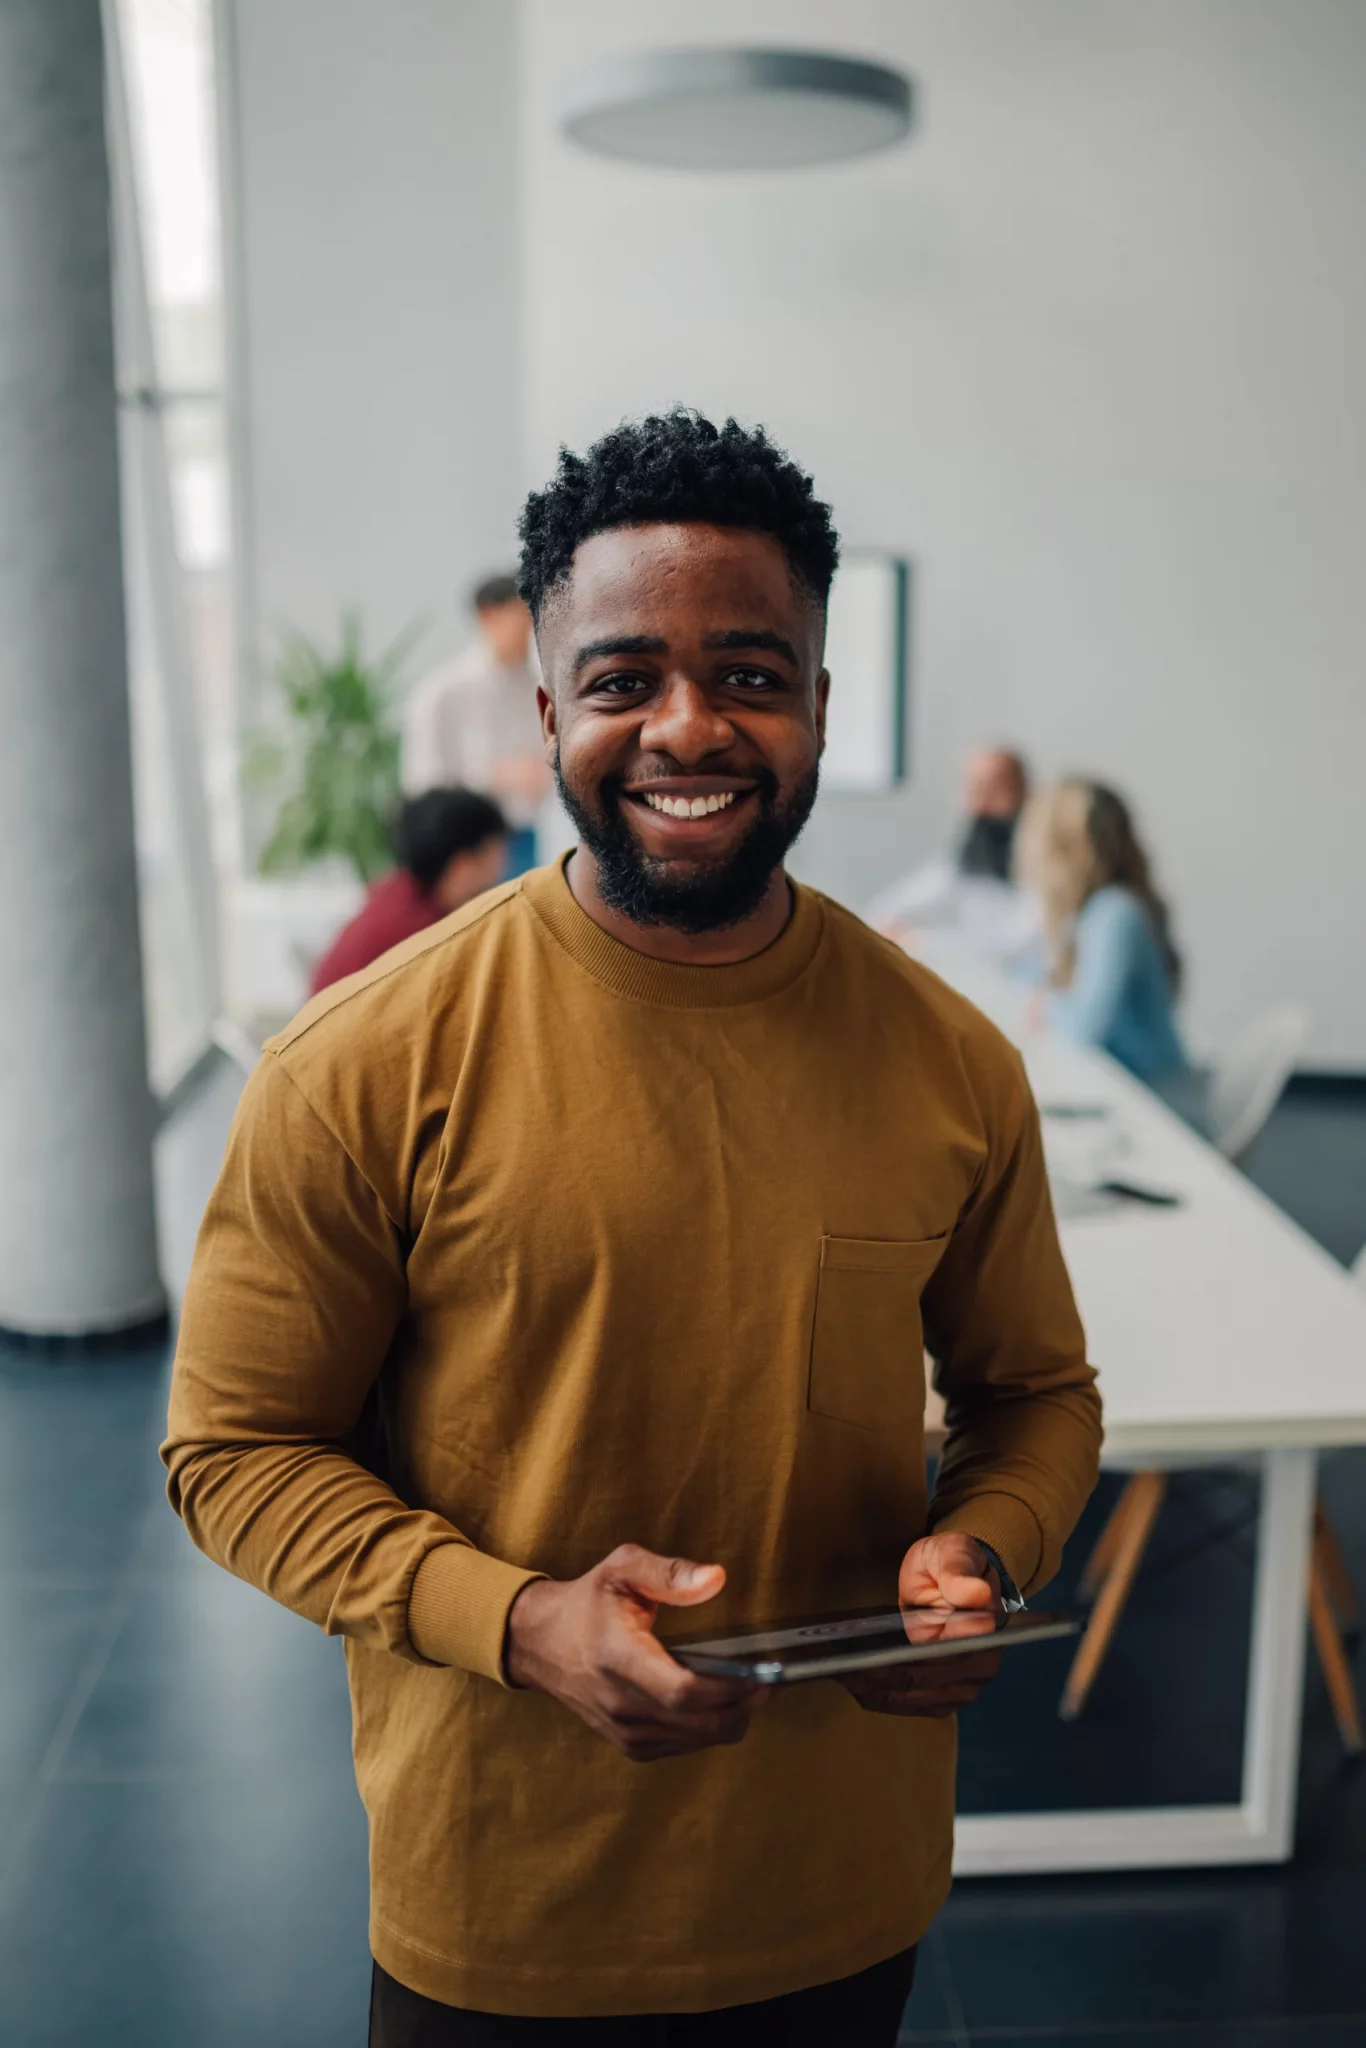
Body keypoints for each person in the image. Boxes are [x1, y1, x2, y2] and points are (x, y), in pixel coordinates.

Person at [163, 409, 1101, 2044]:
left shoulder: (952, 1061)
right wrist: (516, 1619)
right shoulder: (363, 1061)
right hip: (507, 1903)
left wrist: (984, 1552)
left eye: (748, 673)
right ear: (547, 711)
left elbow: (1037, 1398)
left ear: (816, 701)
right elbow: (234, 1450)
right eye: (621, 680)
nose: (688, 726)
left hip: (846, 1886)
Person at [1015, 777, 1188, 1085]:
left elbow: (1084, 1028)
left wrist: (1044, 1005)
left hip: (1153, 1099)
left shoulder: (1114, 913)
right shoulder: (1092, 912)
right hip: (1126, 1086)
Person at [402, 573, 549, 875]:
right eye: (519, 620)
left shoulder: (539, 686)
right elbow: (422, 783)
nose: (528, 633)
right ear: (486, 615)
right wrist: (495, 775)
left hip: (525, 837)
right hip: (464, 850)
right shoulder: (441, 694)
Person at [308, 788, 508, 995]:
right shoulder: (422, 933)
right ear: (462, 867)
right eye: (494, 856)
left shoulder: (398, 891)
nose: (501, 870)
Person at [865, 747, 1039, 964]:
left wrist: (921, 941)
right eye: (974, 787)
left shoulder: (1047, 855)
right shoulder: (968, 856)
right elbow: (886, 911)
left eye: (994, 787)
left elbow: (1022, 943)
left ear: (1024, 788)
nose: (981, 801)